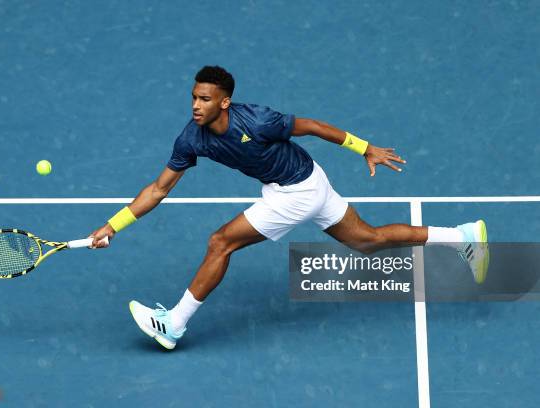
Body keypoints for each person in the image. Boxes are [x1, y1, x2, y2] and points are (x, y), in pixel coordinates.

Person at [89, 66, 489, 350]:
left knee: (220, 242)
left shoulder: (258, 121)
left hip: (297, 191)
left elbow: (312, 126)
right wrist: (113, 225)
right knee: (367, 240)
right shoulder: (191, 139)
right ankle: (462, 236)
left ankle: (173, 324)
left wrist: (365, 148)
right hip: (304, 181)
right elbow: (159, 189)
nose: (196, 105)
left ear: (224, 102)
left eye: (205, 99)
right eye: (194, 97)